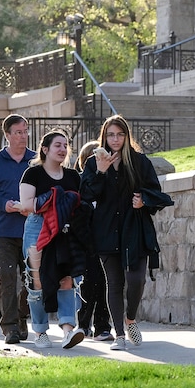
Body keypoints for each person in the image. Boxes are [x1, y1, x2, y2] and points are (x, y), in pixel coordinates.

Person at [80, 115, 171, 351]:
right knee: (114, 283)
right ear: (104, 136)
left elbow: (155, 191)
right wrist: (100, 172)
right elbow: (87, 196)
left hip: (135, 230)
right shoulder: (94, 162)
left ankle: (130, 318)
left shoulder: (140, 162)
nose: (115, 139)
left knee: (136, 280)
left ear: (127, 135)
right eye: (111, 134)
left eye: (120, 134)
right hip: (107, 231)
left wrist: (143, 201)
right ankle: (119, 335)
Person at [19, 130, 89, 349]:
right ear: (45, 149)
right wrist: (55, 196)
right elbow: (27, 205)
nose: (62, 149)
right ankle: (40, 331)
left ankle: (68, 329)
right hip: (38, 229)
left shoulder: (72, 176)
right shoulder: (33, 174)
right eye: (57, 145)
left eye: (65, 145)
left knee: (66, 279)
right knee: (37, 281)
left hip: (66, 231)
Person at [0, 114, 35, 344]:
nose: (23, 136)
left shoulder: (36, 160)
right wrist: (4, 205)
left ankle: (22, 316)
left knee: (33, 279)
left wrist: (31, 206)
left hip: (31, 229)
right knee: (7, 278)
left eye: (26, 131)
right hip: (3, 231)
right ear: (7, 135)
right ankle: (9, 327)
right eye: (18, 132)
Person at [74, 140, 113, 342]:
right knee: (90, 283)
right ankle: (84, 324)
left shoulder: (108, 181)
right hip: (86, 240)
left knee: (103, 283)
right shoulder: (80, 182)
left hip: (104, 238)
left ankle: (101, 325)